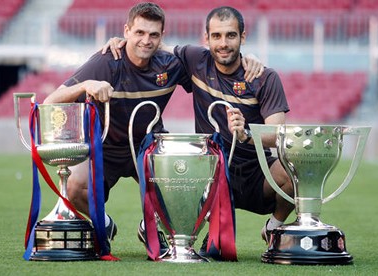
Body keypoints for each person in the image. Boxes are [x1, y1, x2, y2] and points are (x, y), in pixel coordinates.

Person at [44, 2, 263, 258]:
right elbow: (50, 102)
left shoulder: (170, 65)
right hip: (105, 148)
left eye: (153, 35)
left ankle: (153, 225)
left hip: (148, 147)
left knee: (186, 181)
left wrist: (249, 56)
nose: (146, 40)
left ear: (161, 38)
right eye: (139, 33)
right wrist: (86, 85)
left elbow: (217, 59)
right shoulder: (105, 61)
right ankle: (104, 224)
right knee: (74, 185)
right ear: (126, 31)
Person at [102, 6, 294, 256]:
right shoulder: (196, 59)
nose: (223, 43)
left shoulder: (264, 77)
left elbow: (278, 134)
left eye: (231, 36)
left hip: (255, 174)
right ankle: (156, 227)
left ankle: (274, 227)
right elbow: (154, 44)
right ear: (206, 38)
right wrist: (125, 40)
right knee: (177, 163)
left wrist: (246, 133)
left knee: (293, 167)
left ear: (242, 38)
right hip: (208, 177)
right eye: (216, 36)